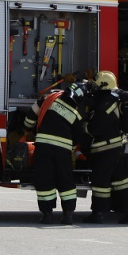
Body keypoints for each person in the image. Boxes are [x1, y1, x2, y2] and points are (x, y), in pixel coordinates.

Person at [23, 82, 88, 224]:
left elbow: (31, 115)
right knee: (66, 181)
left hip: (43, 148)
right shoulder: (77, 115)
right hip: (62, 151)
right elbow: (78, 138)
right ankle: (68, 215)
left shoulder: (49, 99)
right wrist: (70, 151)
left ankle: (47, 215)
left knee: (44, 180)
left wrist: (27, 129)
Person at [82, 71, 128, 224]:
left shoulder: (104, 104)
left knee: (101, 181)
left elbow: (95, 129)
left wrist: (84, 126)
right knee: (121, 180)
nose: (93, 87)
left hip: (105, 148)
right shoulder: (117, 99)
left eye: (95, 84)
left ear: (103, 85)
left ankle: (98, 214)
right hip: (118, 145)